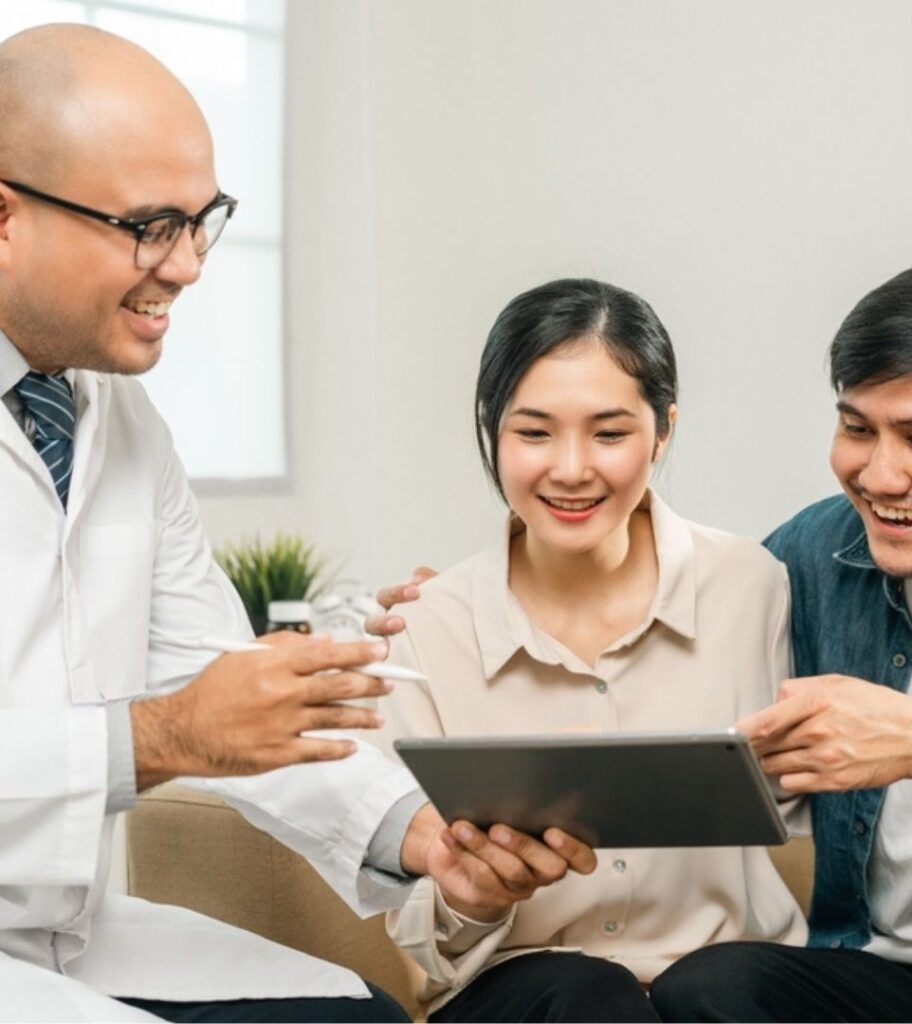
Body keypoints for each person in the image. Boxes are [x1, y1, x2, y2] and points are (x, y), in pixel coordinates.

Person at [0, 24, 595, 1023]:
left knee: (353, 1016)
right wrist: (159, 738)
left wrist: (420, 835)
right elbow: (186, 722)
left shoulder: (124, 422)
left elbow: (214, 684)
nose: (188, 266)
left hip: (66, 929)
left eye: (203, 220)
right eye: (150, 224)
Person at [369, 278, 807, 1022]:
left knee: (717, 988)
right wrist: (469, 897)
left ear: (663, 429)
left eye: (609, 434)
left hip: (724, 989)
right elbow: (418, 933)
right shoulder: (423, 631)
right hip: (529, 997)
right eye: (534, 433)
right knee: (585, 996)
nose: (571, 469)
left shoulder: (752, 587)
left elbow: (807, 807)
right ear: (491, 429)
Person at [642, 258, 912, 1021]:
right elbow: (659, 640)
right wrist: (487, 597)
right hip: (888, 981)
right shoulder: (819, 553)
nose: (878, 476)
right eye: (856, 428)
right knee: (711, 991)